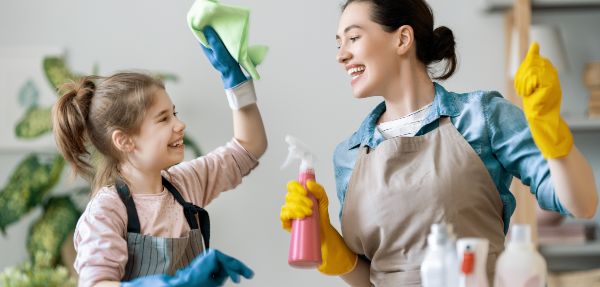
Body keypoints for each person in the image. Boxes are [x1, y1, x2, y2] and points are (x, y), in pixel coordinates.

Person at [279, 0, 598, 286]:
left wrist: (553, 133)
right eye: (338, 43)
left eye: (353, 38)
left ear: (402, 39)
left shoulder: (482, 117)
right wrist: (329, 245)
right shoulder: (349, 156)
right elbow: (371, 278)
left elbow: (581, 204)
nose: (341, 54)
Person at [52, 26, 267, 287]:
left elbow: (250, 146)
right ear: (124, 140)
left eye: (174, 113)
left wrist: (235, 82)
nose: (180, 125)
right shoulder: (107, 210)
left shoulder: (186, 183)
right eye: (164, 118)